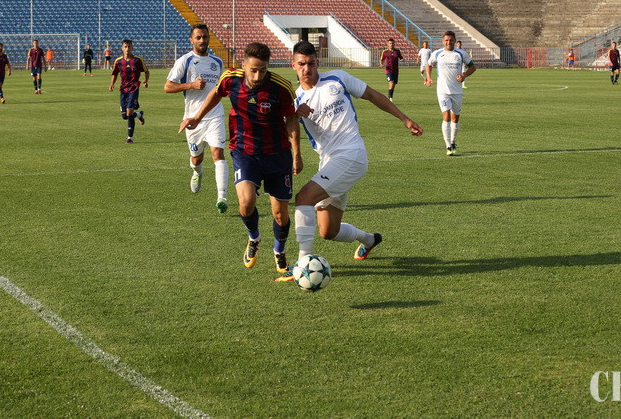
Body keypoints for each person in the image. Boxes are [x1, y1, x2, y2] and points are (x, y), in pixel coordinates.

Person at [275, 41, 423, 282]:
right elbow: (286, 130)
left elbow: (373, 95)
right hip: (329, 162)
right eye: (301, 64)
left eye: (311, 63)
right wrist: (295, 127)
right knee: (328, 231)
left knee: (303, 198)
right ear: (293, 65)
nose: (307, 69)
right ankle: (369, 239)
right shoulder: (295, 100)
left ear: (317, 63)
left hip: (352, 154)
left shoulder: (338, 78)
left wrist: (404, 119)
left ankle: (302, 264)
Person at [179, 42, 302, 276]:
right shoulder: (230, 79)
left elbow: (292, 119)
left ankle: (279, 250)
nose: (257, 76)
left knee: (280, 213)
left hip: (277, 155)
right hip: (245, 151)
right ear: (243, 64)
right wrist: (197, 117)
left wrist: (297, 154)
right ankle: (254, 238)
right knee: (245, 202)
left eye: (263, 70)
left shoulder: (281, 87)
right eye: (253, 70)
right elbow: (216, 94)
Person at [165, 24, 230, 213]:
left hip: (215, 115)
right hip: (192, 119)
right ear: (191, 40)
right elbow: (168, 86)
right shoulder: (185, 61)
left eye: (205, 37)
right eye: (198, 37)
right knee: (196, 158)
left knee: (218, 153)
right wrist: (191, 85)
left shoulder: (217, 62)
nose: (202, 40)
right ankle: (197, 172)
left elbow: (220, 90)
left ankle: (222, 197)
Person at [426, 31, 475, 155]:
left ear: (454, 41)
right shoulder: (437, 53)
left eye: (451, 40)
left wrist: (464, 75)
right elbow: (428, 64)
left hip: (457, 91)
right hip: (442, 90)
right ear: (443, 41)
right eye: (446, 40)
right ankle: (448, 146)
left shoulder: (461, 54)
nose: (449, 42)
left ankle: (453, 141)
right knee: (446, 116)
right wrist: (429, 77)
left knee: (455, 118)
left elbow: (472, 67)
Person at [109, 39, 148, 144]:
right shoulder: (118, 61)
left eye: (129, 46)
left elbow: (146, 71)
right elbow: (115, 73)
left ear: (132, 48)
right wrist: (112, 84)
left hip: (134, 88)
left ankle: (130, 138)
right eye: (125, 47)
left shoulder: (138, 60)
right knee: (124, 116)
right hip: (123, 89)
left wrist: (145, 81)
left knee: (129, 112)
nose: (127, 49)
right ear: (122, 48)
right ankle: (139, 115)